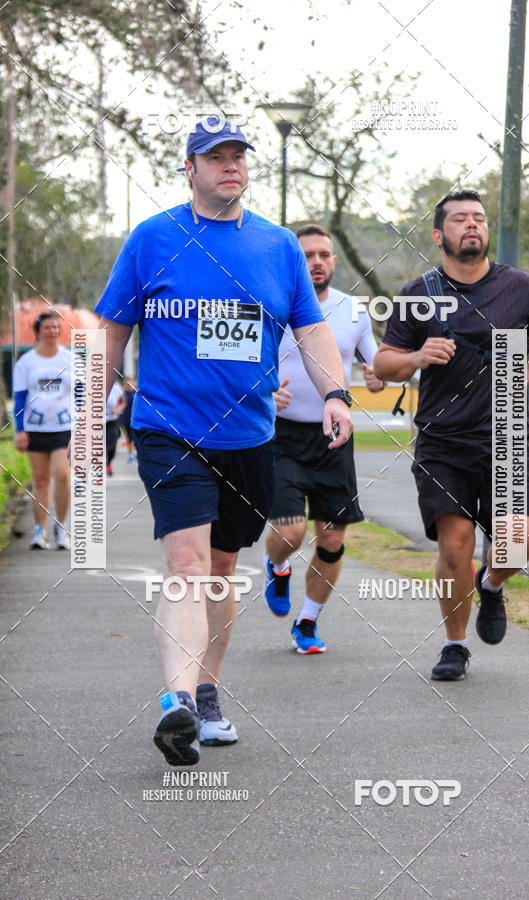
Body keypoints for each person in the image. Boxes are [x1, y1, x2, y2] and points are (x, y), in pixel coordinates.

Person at [94, 117, 353, 766]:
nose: (230, 166)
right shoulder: (153, 240)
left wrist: (335, 393)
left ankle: (207, 690)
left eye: (238, 156)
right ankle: (178, 703)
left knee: (218, 569)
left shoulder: (277, 246)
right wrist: (87, 415)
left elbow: (312, 331)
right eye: (215, 158)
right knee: (184, 562)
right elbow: (111, 332)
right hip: (168, 429)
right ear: (189, 168)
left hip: (249, 436)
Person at [373, 190, 529, 681]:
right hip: (443, 440)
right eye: (459, 219)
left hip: (504, 435)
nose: (472, 225)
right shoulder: (421, 293)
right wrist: (417, 358)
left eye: (479, 218)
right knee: (454, 546)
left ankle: (493, 585)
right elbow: (383, 363)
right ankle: (455, 644)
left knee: (518, 542)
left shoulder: (519, 286)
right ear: (439, 235)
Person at [263, 224, 385, 653]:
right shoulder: (268, 303)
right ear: (293, 261)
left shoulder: (353, 309)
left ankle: (308, 622)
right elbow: (240, 364)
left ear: (334, 261)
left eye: (324, 254)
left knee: (332, 539)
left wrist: (377, 375)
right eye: (308, 254)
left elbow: (376, 363)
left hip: (334, 433)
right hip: (279, 436)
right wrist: (262, 389)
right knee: (292, 532)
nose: (317, 261)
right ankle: (277, 566)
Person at [13, 311, 71, 550]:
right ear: (38, 332)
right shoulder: (26, 362)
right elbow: (19, 398)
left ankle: (61, 528)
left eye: (56, 327)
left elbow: (81, 395)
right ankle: (39, 532)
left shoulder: (69, 360)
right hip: (35, 428)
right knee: (40, 480)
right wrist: (20, 430)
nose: (52, 332)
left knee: (63, 475)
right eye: (47, 328)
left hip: (63, 428)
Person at [105, 380, 125, 476]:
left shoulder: (116, 388)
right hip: (96, 421)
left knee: (111, 446)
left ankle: (108, 462)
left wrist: (118, 409)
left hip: (111, 420)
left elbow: (123, 402)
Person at [118, 377, 137, 462]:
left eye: (130, 384)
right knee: (129, 438)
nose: (128, 386)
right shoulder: (124, 394)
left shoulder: (136, 393)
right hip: (126, 419)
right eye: (127, 384)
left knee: (134, 437)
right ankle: (131, 454)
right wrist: (118, 409)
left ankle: (134, 453)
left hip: (134, 419)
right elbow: (121, 403)